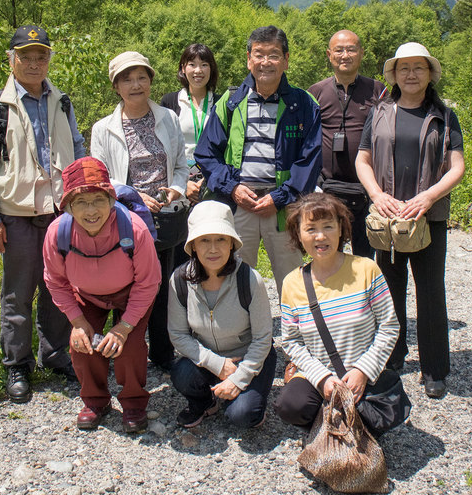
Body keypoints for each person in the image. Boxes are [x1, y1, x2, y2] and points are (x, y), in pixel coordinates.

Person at [0, 25, 84, 403]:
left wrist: (83, 204)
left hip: (59, 215)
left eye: (41, 56)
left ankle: (53, 354)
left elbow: (79, 154)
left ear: (49, 58)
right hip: (16, 217)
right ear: (12, 60)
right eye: (26, 57)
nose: (34, 64)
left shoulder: (62, 102)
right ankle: (16, 365)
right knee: (18, 294)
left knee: (58, 289)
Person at [355, 42, 465, 398]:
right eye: (405, 68)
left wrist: (429, 197)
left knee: (430, 290)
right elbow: (363, 159)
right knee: (388, 290)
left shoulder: (444, 115)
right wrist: (377, 195)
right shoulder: (380, 111)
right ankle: (392, 356)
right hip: (387, 217)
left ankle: (434, 368)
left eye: (419, 67)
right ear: (395, 75)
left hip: (427, 217)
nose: (412, 74)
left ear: (429, 73)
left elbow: (457, 166)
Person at [195, 25, 322, 295]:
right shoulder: (230, 101)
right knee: (236, 279)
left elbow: (310, 158)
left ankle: (295, 333)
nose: (266, 62)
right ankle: (244, 336)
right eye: (259, 54)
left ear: (286, 60)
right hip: (240, 205)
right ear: (249, 59)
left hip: (283, 207)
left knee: (293, 280)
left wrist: (281, 196)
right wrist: (232, 188)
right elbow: (206, 153)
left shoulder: (304, 103)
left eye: (274, 55)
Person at [42, 157, 159, 433]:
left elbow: (148, 282)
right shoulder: (57, 234)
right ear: (68, 206)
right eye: (81, 202)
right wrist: (77, 321)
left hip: (132, 293)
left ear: (111, 198)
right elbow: (55, 281)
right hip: (86, 295)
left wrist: (124, 326)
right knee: (81, 344)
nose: (91, 210)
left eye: (98, 199)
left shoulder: (135, 229)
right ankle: (96, 401)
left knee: (129, 347)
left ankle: (133, 403)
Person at [90, 51, 189, 371]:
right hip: (126, 219)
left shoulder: (168, 118)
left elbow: (180, 165)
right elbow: (100, 178)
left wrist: (176, 186)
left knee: (162, 286)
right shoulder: (103, 129)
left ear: (151, 81)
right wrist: (134, 196)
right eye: (127, 79)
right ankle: (124, 353)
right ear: (116, 86)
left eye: (142, 77)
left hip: (167, 217)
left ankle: (162, 351)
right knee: (127, 286)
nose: (136, 85)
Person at [274, 193, 399, 429]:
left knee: (375, 419)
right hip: (320, 374)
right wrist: (322, 379)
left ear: (341, 229)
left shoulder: (366, 269)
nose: (320, 236)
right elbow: (291, 341)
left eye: (328, 226)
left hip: (361, 372)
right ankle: (326, 422)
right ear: (298, 235)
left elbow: (389, 326)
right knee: (290, 405)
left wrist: (363, 371)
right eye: (310, 229)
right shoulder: (292, 282)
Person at [167, 201, 275, 428]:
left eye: (221, 239)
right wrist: (217, 365)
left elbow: (263, 338)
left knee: (242, 415)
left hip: (248, 358)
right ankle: (205, 403)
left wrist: (238, 378)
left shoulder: (250, 279)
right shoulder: (180, 280)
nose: (213, 249)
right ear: (193, 245)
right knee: (181, 373)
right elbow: (178, 334)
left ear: (232, 244)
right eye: (204, 240)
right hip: (206, 359)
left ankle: (243, 398)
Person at [308, 30, 385, 257]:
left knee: (366, 258)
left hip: (367, 189)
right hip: (328, 188)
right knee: (328, 255)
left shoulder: (378, 91)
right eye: (339, 50)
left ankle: (364, 294)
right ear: (329, 55)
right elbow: (306, 141)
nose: (345, 55)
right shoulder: (316, 92)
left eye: (351, 49)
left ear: (361, 53)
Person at [159, 43, 221, 267]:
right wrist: (183, 182)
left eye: (204, 64)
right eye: (192, 64)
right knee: (180, 248)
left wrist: (208, 181)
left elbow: (228, 147)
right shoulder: (169, 102)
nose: (198, 70)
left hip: (212, 182)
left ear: (211, 69)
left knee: (209, 245)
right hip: (179, 182)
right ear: (182, 68)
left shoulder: (222, 102)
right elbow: (163, 148)